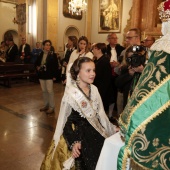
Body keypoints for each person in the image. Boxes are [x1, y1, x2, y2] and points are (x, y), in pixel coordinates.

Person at [96, 1, 170, 169]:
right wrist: (128, 71)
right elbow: (118, 81)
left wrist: (128, 122)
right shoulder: (127, 53)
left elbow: (153, 90)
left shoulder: (162, 49)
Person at [41, 57, 116, 170]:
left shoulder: (94, 89)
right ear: (77, 72)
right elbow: (65, 122)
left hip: (95, 133)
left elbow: (100, 114)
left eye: (94, 70)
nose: (92, 74)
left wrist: (111, 128)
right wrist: (73, 142)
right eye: (88, 70)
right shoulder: (71, 94)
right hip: (78, 134)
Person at [35, 40, 58, 114]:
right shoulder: (41, 53)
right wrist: (37, 67)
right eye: (46, 45)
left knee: (50, 91)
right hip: (42, 75)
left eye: (49, 45)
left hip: (49, 75)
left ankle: (52, 107)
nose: (48, 46)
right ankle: (46, 105)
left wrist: (54, 75)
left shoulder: (53, 54)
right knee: (44, 91)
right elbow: (36, 63)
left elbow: (55, 66)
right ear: (43, 46)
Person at [92, 43, 114, 116]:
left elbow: (106, 79)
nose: (92, 50)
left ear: (99, 50)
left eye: (94, 48)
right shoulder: (97, 60)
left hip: (102, 90)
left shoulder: (104, 61)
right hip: (97, 88)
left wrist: (100, 92)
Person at [106, 33, 125, 117]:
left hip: (118, 72)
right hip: (108, 72)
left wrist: (118, 63)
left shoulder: (121, 49)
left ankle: (115, 111)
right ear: (108, 39)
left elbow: (123, 60)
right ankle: (108, 112)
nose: (115, 40)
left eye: (116, 38)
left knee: (116, 91)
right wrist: (109, 63)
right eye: (113, 38)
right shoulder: (105, 48)